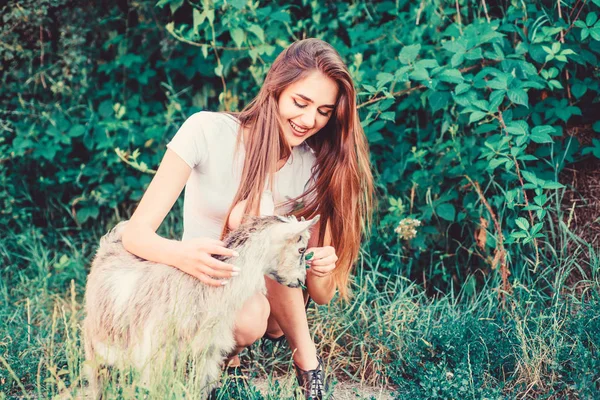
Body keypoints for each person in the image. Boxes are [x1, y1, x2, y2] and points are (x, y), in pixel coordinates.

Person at [121, 38, 374, 399]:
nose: (308, 120)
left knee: (269, 244)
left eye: (323, 111)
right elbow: (135, 235)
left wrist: (321, 267)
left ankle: (307, 365)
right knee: (250, 313)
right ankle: (225, 359)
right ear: (275, 88)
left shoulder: (313, 165)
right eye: (300, 103)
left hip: (272, 300)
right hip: (200, 284)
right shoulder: (206, 131)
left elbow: (320, 294)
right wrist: (182, 254)